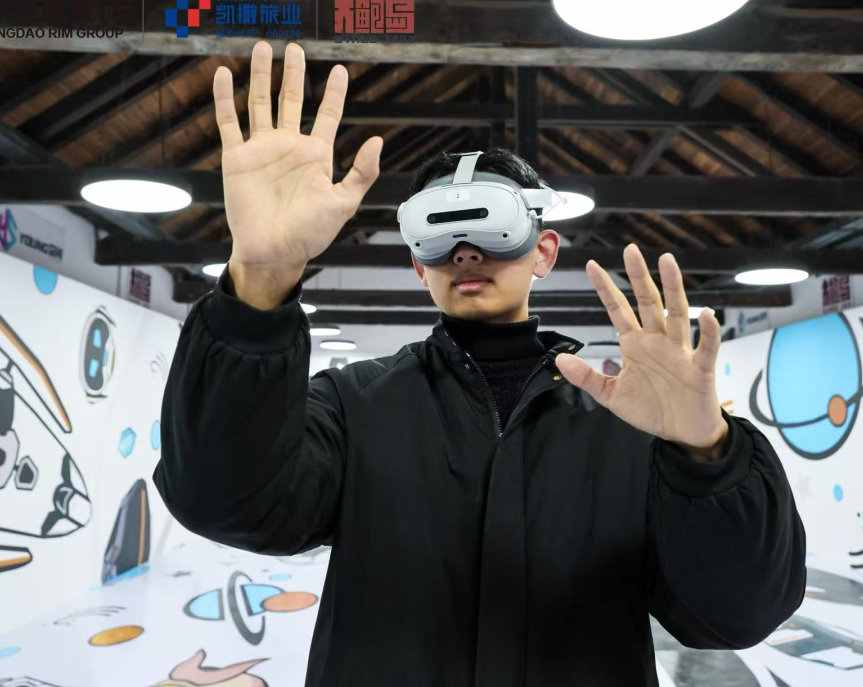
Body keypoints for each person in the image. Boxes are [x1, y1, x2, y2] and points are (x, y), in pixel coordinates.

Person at [153, 41, 806, 687]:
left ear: (544, 251)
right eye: (438, 235)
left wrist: (706, 458)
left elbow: (735, 616)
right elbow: (224, 502)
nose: (465, 251)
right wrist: (260, 281)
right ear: (418, 265)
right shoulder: (353, 407)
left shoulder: (634, 425)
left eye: (495, 226)